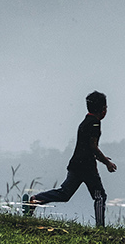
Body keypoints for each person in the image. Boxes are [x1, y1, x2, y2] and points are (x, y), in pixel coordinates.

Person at [23, 91, 117, 227]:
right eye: (106, 108)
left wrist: (100, 157)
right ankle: (100, 227)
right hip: (87, 167)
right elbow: (92, 146)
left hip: (76, 165)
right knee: (100, 196)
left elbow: (88, 147)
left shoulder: (85, 122)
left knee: (64, 193)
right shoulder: (95, 123)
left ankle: (35, 200)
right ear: (103, 110)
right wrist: (107, 162)